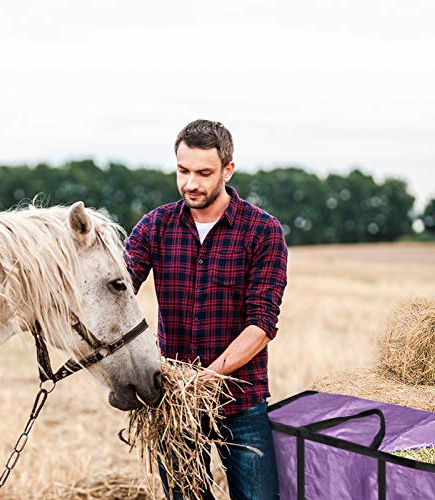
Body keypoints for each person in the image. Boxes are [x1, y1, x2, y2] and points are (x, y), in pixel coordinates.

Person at [124, 119, 288, 499]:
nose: (191, 184)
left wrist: (204, 381)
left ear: (228, 170)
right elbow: (119, 291)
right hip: (174, 406)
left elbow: (261, 323)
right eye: (183, 171)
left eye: (203, 172)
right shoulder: (155, 226)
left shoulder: (263, 231)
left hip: (241, 403)